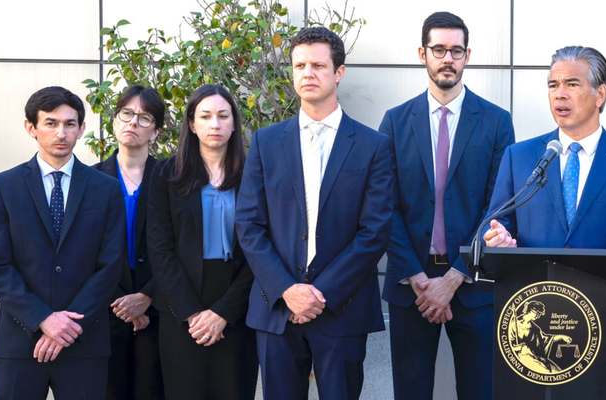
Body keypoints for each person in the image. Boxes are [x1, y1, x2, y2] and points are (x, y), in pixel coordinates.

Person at [482, 45, 606, 400]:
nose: (560, 94)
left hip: (605, 329)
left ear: (601, 94)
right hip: (530, 338)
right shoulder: (520, 157)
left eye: (572, 84)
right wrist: (498, 239)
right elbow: (497, 223)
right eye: (553, 85)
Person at [237, 26, 394, 400]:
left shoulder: (373, 146)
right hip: (276, 308)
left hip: (343, 309)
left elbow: (374, 231)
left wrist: (318, 294)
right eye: (300, 66)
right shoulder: (265, 142)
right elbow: (249, 224)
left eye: (318, 66)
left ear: (338, 73)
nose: (308, 73)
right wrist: (288, 290)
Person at [378, 11, 514, 400]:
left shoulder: (496, 122)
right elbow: (384, 207)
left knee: (479, 392)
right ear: (423, 53)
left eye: (456, 50)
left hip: (474, 286)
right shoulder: (395, 121)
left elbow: (499, 206)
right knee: (411, 392)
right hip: (411, 287)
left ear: (467, 55)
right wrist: (419, 280)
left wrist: (455, 276)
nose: (447, 59)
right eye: (439, 49)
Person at [0, 86, 126, 399]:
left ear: (81, 129)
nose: (61, 132)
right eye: (51, 123)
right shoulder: (3, 187)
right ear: (31, 127)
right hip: (20, 342)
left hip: (84, 343)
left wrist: (68, 326)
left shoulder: (106, 189)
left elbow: (111, 265)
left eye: (70, 124)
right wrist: (43, 318)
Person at [147, 85, 258, 400]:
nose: (215, 124)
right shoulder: (168, 174)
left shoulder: (253, 173)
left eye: (223, 116)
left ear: (234, 123)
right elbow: (159, 248)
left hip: (238, 302)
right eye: (206, 116)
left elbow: (261, 247)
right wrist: (193, 313)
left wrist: (224, 312)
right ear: (192, 124)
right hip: (181, 304)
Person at [91, 84, 166, 400]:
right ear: (113, 120)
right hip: (106, 314)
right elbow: (83, 254)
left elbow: (183, 248)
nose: (133, 123)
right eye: (126, 114)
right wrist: (124, 304)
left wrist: (147, 297)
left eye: (144, 118)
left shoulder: (172, 179)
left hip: (160, 313)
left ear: (156, 131)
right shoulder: (90, 180)